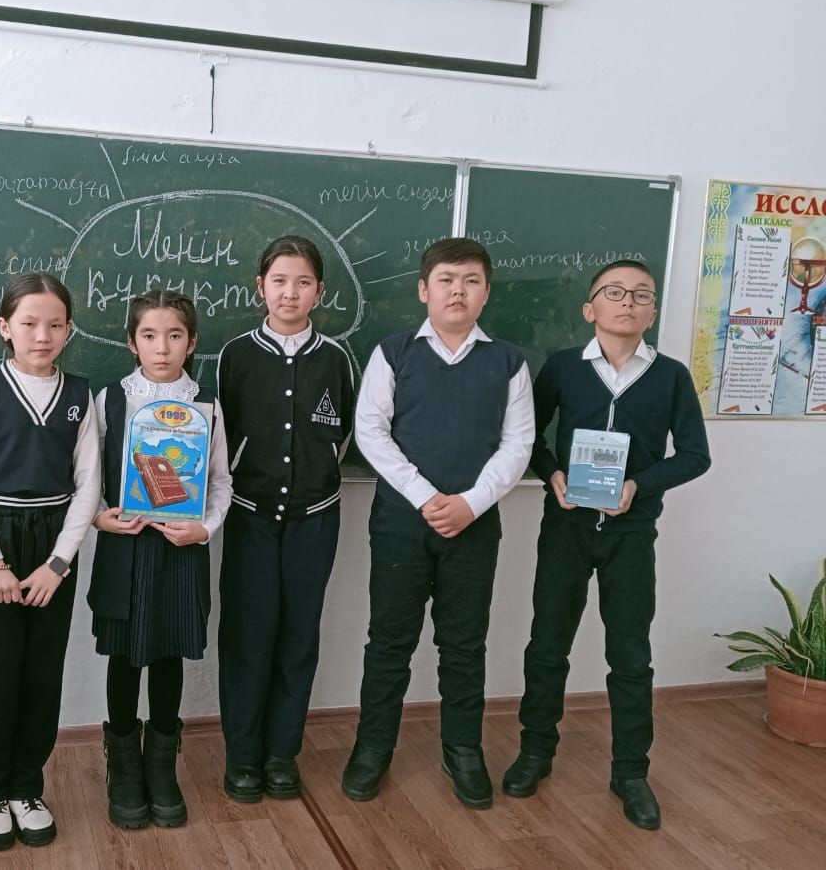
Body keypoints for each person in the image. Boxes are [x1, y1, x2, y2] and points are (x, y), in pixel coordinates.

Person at [502, 259, 710, 831]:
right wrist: (551, 474)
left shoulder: (670, 376)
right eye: (614, 292)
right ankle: (535, 751)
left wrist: (639, 485)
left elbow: (696, 455)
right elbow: (526, 437)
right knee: (548, 645)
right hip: (566, 530)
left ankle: (630, 772)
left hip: (631, 534)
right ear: (589, 308)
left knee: (631, 655)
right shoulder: (564, 367)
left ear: (652, 311)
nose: (628, 302)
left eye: (641, 294)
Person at [342, 238, 534, 809]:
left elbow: (518, 444)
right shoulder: (394, 353)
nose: (458, 291)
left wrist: (471, 503)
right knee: (389, 641)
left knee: (465, 643)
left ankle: (463, 750)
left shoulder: (509, 362)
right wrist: (428, 497)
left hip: (475, 525)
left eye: (471, 281)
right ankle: (373, 748)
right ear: (424, 289)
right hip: (401, 523)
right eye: (447, 280)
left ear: (486, 292)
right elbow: (370, 432)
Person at [0, 272, 101, 851]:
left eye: (55, 324)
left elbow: (89, 485)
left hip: (52, 547)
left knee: (41, 671)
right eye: (30, 323)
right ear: (5, 327)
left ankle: (25, 787)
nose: (43, 335)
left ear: (69, 329)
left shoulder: (80, 394)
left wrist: (59, 563)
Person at [215, 236, 355, 802]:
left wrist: (314, 476)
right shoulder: (236, 355)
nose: (290, 293)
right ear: (261, 287)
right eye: (279, 281)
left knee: (299, 636)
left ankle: (281, 754)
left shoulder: (337, 358)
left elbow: (343, 434)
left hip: (314, 520)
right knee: (248, 636)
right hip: (250, 517)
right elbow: (220, 438)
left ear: (319, 290)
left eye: (302, 282)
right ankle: (243, 755)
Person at [90, 290, 233, 829]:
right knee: (125, 656)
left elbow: (220, 481)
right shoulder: (110, 400)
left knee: (169, 652)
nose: (162, 347)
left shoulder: (207, 405)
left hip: (180, 549)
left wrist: (205, 528)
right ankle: (125, 765)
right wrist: (99, 517)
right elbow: (86, 475)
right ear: (132, 342)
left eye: (174, 336)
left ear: (191, 343)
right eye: (149, 336)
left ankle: (161, 765)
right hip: (124, 546)